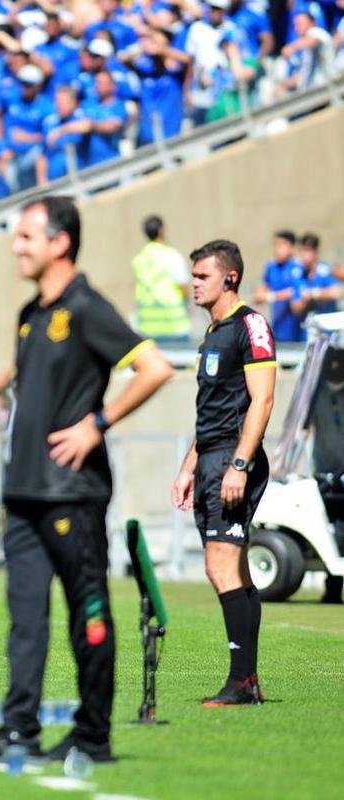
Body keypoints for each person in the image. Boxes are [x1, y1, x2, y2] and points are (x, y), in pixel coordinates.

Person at [0, 196, 172, 765]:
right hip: (24, 493)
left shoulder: (86, 306)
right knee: (26, 620)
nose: (16, 246)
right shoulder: (29, 314)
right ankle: (19, 730)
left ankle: (93, 735)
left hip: (72, 493)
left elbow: (155, 369)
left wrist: (96, 424)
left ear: (60, 242)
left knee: (88, 612)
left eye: (26, 236)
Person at [171, 239, 276, 706]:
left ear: (230, 278)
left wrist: (239, 464)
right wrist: (188, 467)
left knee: (219, 566)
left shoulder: (251, 325)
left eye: (202, 276)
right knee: (233, 570)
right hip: (211, 461)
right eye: (193, 275)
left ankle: (241, 682)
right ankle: (247, 681)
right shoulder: (213, 333)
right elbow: (211, 413)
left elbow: (263, 400)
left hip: (234, 462)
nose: (193, 284)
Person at [308, 346, 344, 604]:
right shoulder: (315, 394)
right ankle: (332, 588)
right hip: (323, 470)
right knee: (328, 529)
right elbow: (302, 429)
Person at [131, 214, 191, 343]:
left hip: (147, 329)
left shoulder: (139, 258)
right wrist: (187, 305)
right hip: (174, 327)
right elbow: (184, 286)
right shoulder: (171, 255)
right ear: (162, 230)